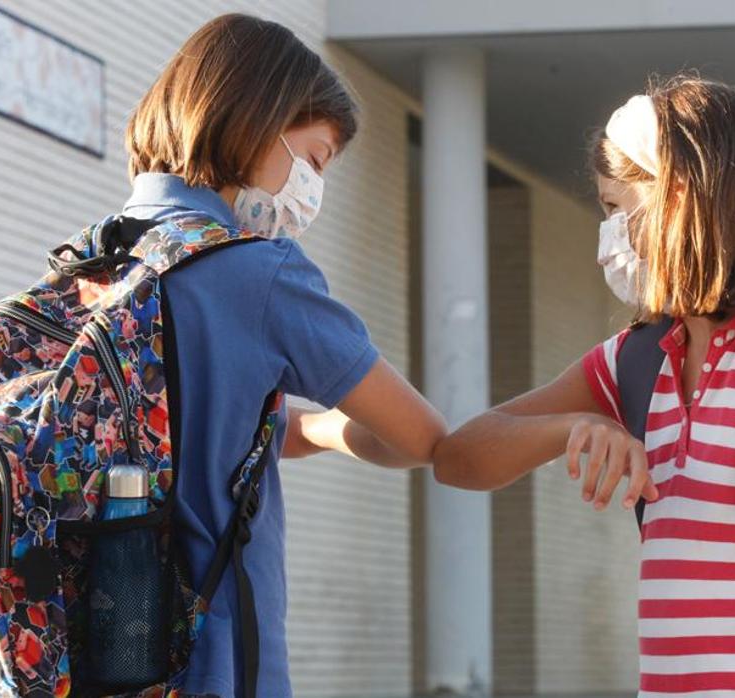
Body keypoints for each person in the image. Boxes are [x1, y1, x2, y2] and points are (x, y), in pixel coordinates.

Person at [433, 76, 735, 697]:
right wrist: (578, 425)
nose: (608, 240)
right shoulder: (634, 360)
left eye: (617, 209)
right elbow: (459, 458)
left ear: (679, 196)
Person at [122, 14, 445, 697]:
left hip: (91, 655)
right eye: (315, 160)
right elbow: (421, 436)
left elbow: (192, 429)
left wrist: (312, 429)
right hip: (209, 663)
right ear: (258, 120)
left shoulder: (99, 256)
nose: (311, 189)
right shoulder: (258, 272)